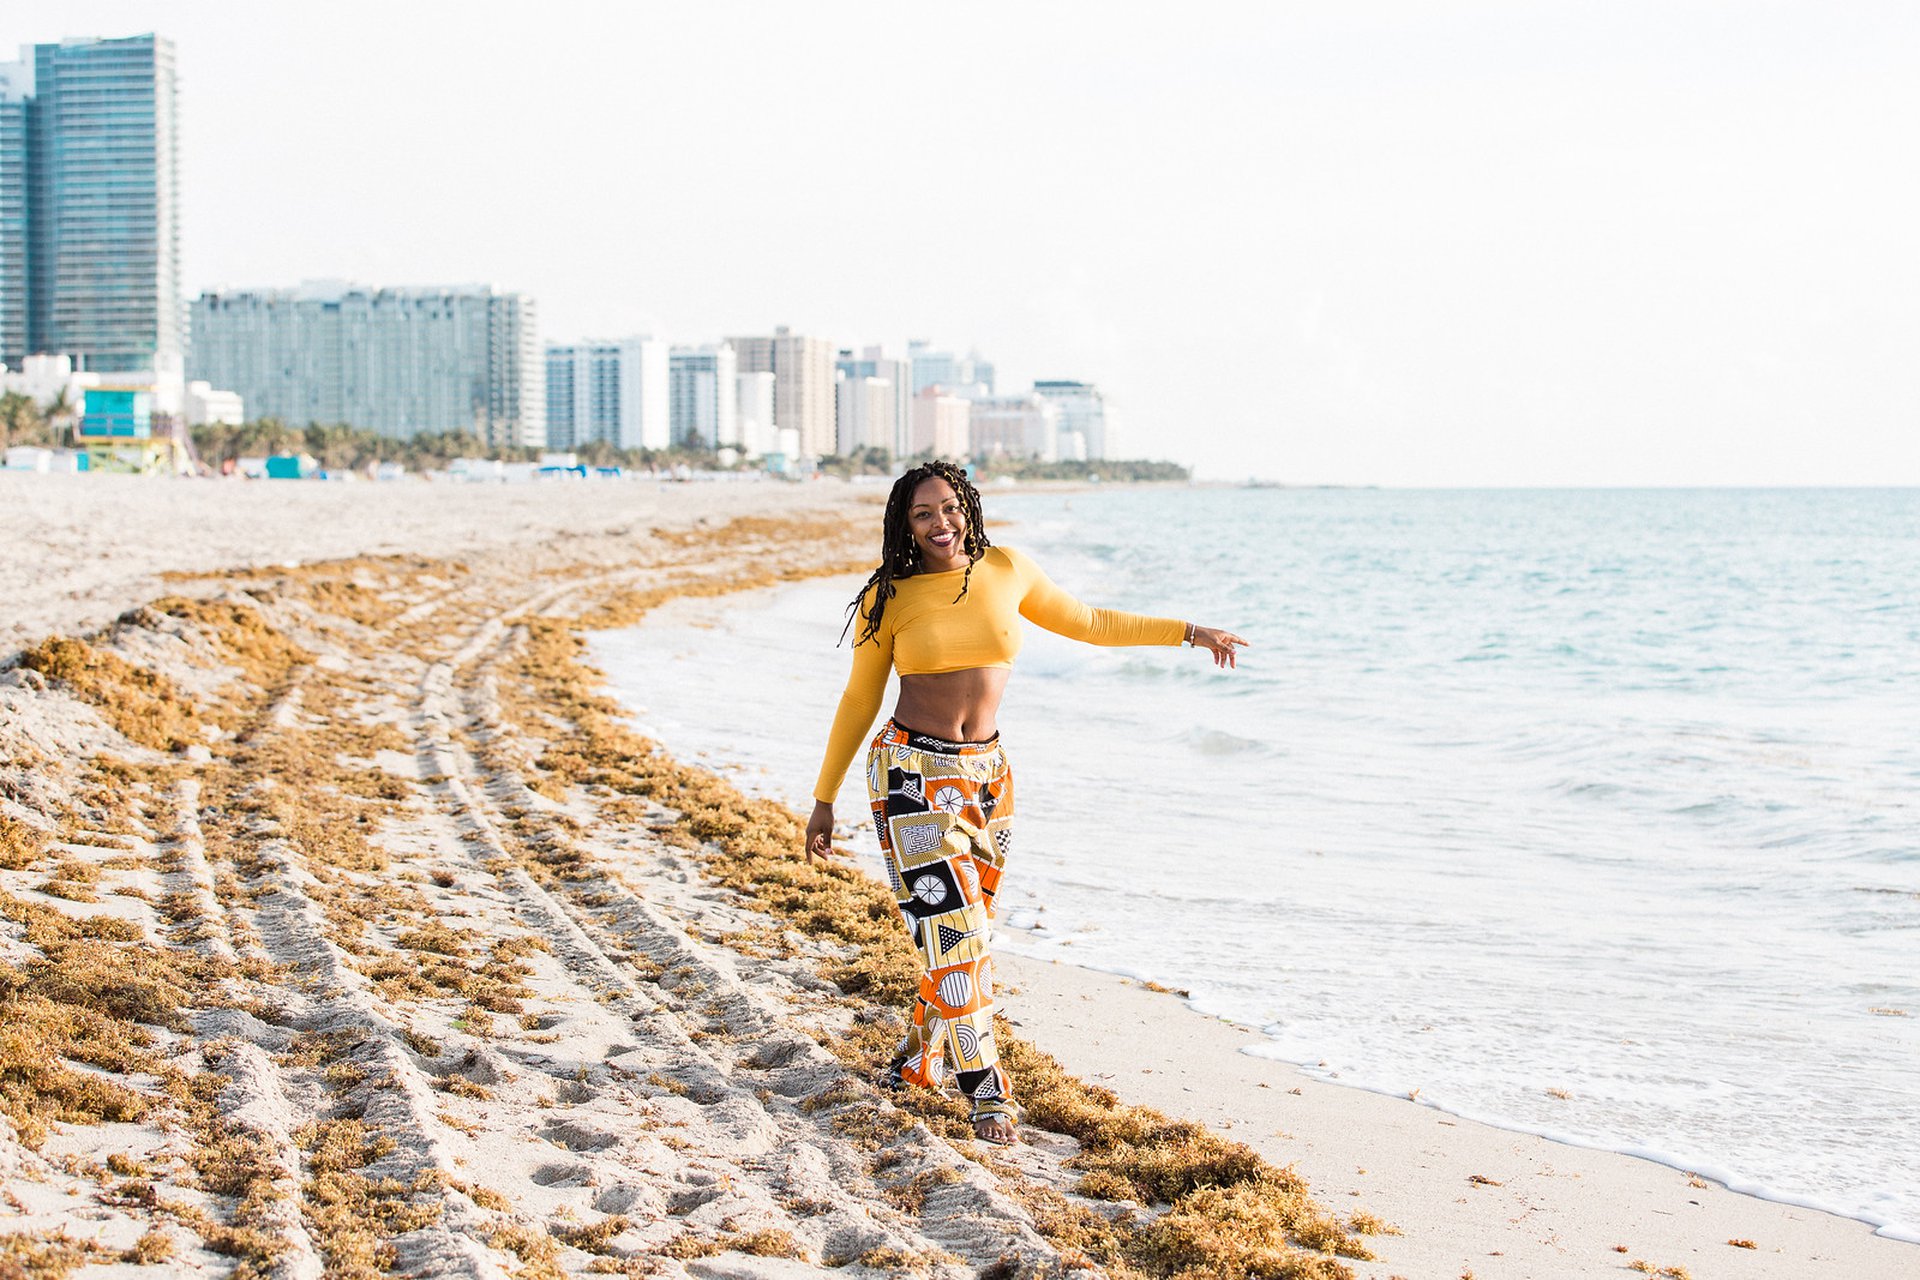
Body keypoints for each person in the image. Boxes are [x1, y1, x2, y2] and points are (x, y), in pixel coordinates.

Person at [803, 461, 1247, 1146]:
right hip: (910, 779)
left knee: (966, 934)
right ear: (904, 524)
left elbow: (1092, 622)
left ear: (969, 507)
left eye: (950, 508)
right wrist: (823, 799)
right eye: (923, 514)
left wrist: (1191, 632)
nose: (941, 523)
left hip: (989, 778)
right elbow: (860, 698)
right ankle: (987, 1097)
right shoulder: (887, 597)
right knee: (956, 935)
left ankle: (917, 1062)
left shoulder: (1008, 568)